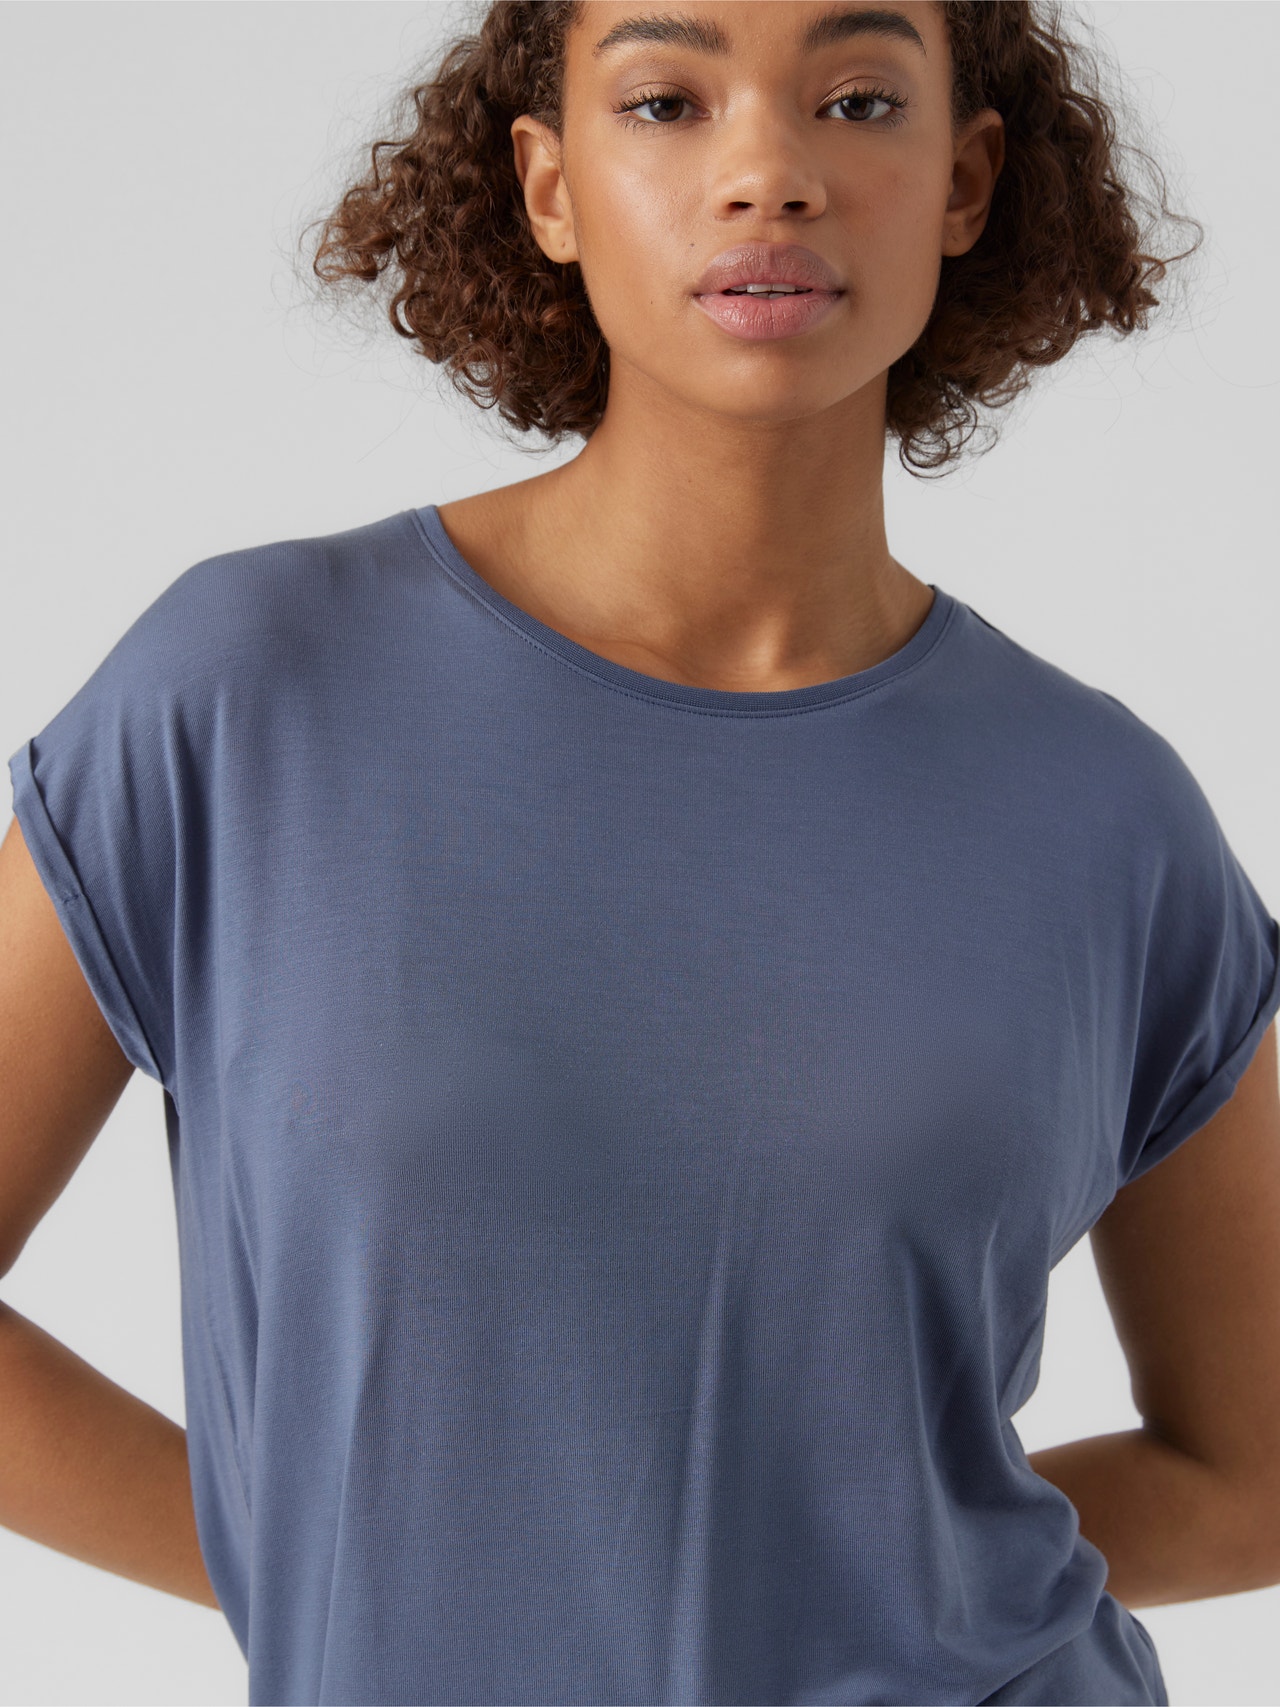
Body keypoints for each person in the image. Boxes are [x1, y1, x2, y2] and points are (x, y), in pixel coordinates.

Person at [3, 2, 1279, 1703]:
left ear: (966, 183)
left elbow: (1252, 1475)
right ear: (550, 186)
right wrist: (317, 1565)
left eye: (858, 100)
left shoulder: (1105, 812)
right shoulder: (250, 693)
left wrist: (869, 1560)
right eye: (669, 101)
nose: (770, 173)